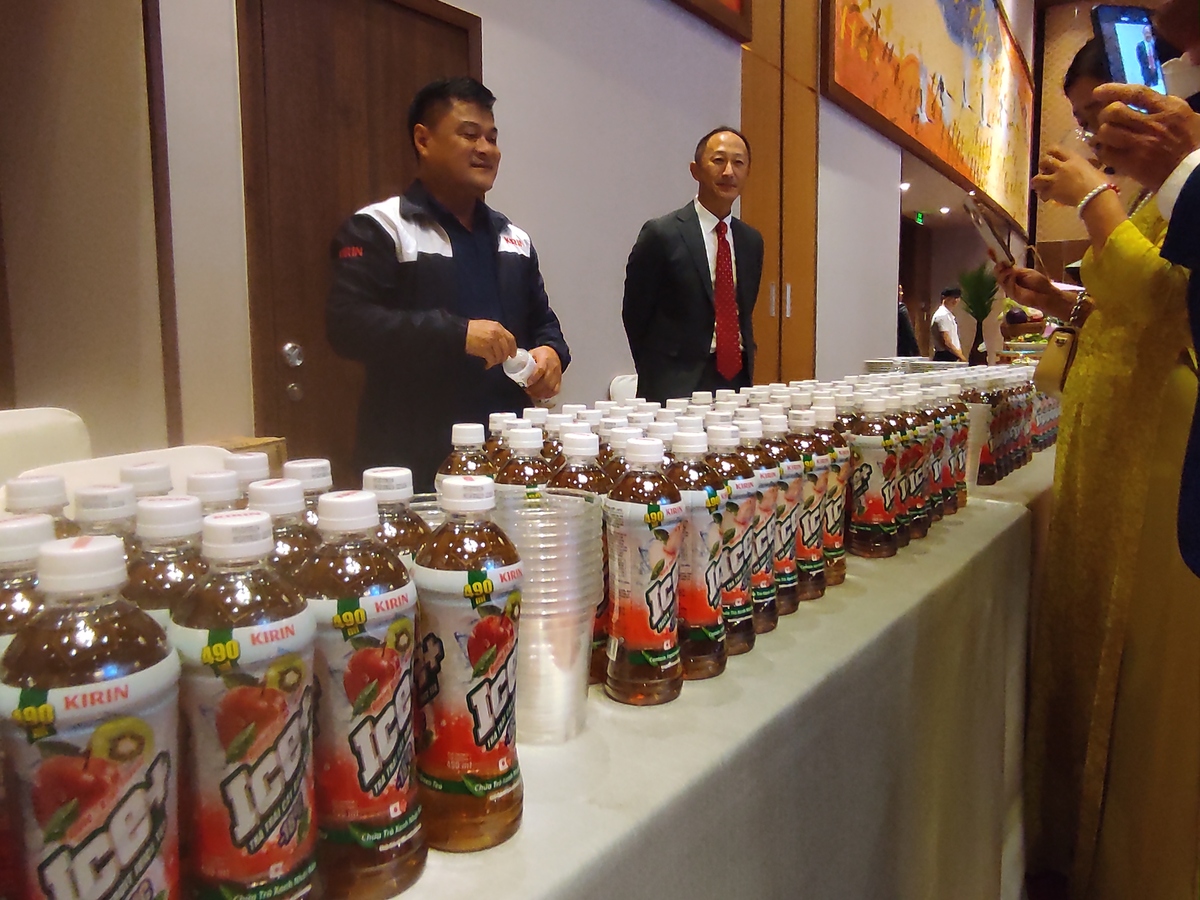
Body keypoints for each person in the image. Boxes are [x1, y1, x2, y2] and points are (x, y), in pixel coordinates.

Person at [998, 37, 1200, 900]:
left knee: (1139, 667)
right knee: (1088, 641)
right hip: (1113, 435)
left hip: (1158, 444)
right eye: (1084, 123)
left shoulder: (1170, 181)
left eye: (1099, 118)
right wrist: (1061, 300)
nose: (1092, 138)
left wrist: (1091, 200)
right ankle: (1072, 848)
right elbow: (1127, 302)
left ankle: (1129, 867)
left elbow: (1164, 302)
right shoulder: (1155, 190)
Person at [326, 77, 571, 490]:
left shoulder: (513, 239)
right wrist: (457, 334)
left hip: (506, 457)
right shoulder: (380, 228)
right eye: (469, 134)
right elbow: (348, 326)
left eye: (492, 138)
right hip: (410, 460)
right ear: (423, 140)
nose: (486, 149)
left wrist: (552, 353)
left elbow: (543, 322)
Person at [622, 127, 764, 403]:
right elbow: (635, 313)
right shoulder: (662, 234)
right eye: (718, 160)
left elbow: (743, 311)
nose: (728, 172)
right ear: (695, 170)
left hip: (736, 381)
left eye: (738, 163)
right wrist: (655, 372)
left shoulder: (751, 241)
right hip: (675, 385)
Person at [930, 287, 966, 362]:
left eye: (957, 298)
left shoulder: (949, 315)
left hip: (952, 355)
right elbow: (946, 342)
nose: (955, 300)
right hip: (945, 356)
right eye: (953, 297)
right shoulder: (942, 315)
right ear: (944, 298)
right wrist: (962, 357)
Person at [897, 286, 921, 356]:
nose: (902, 293)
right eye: (899, 291)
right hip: (903, 350)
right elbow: (908, 331)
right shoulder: (901, 308)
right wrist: (916, 352)